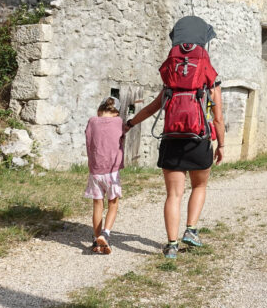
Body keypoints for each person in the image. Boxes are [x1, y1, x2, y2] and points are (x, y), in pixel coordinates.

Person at [125, 16, 224, 259]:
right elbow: (219, 117)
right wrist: (221, 144)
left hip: (171, 139)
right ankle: (190, 230)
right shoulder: (209, 77)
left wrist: (129, 123)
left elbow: (151, 109)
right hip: (199, 139)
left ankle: (171, 245)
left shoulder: (171, 78)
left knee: (173, 195)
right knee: (199, 185)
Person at [84, 96, 127, 255]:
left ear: (99, 110)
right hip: (112, 172)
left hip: (95, 172)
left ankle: (97, 240)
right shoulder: (119, 122)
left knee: (97, 205)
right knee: (113, 204)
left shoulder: (92, 121)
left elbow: (88, 142)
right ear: (116, 112)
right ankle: (105, 234)